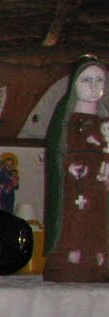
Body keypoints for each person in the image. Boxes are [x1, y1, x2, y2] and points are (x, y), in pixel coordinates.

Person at [43, 57, 109, 283]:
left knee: (98, 221)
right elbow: (57, 151)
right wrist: (70, 165)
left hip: (100, 185)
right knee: (75, 220)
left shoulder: (105, 122)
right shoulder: (65, 119)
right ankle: (70, 259)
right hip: (74, 186)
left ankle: (99, 260)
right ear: (74, 84)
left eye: (100, 80)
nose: (94, 86)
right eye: (86, 80)